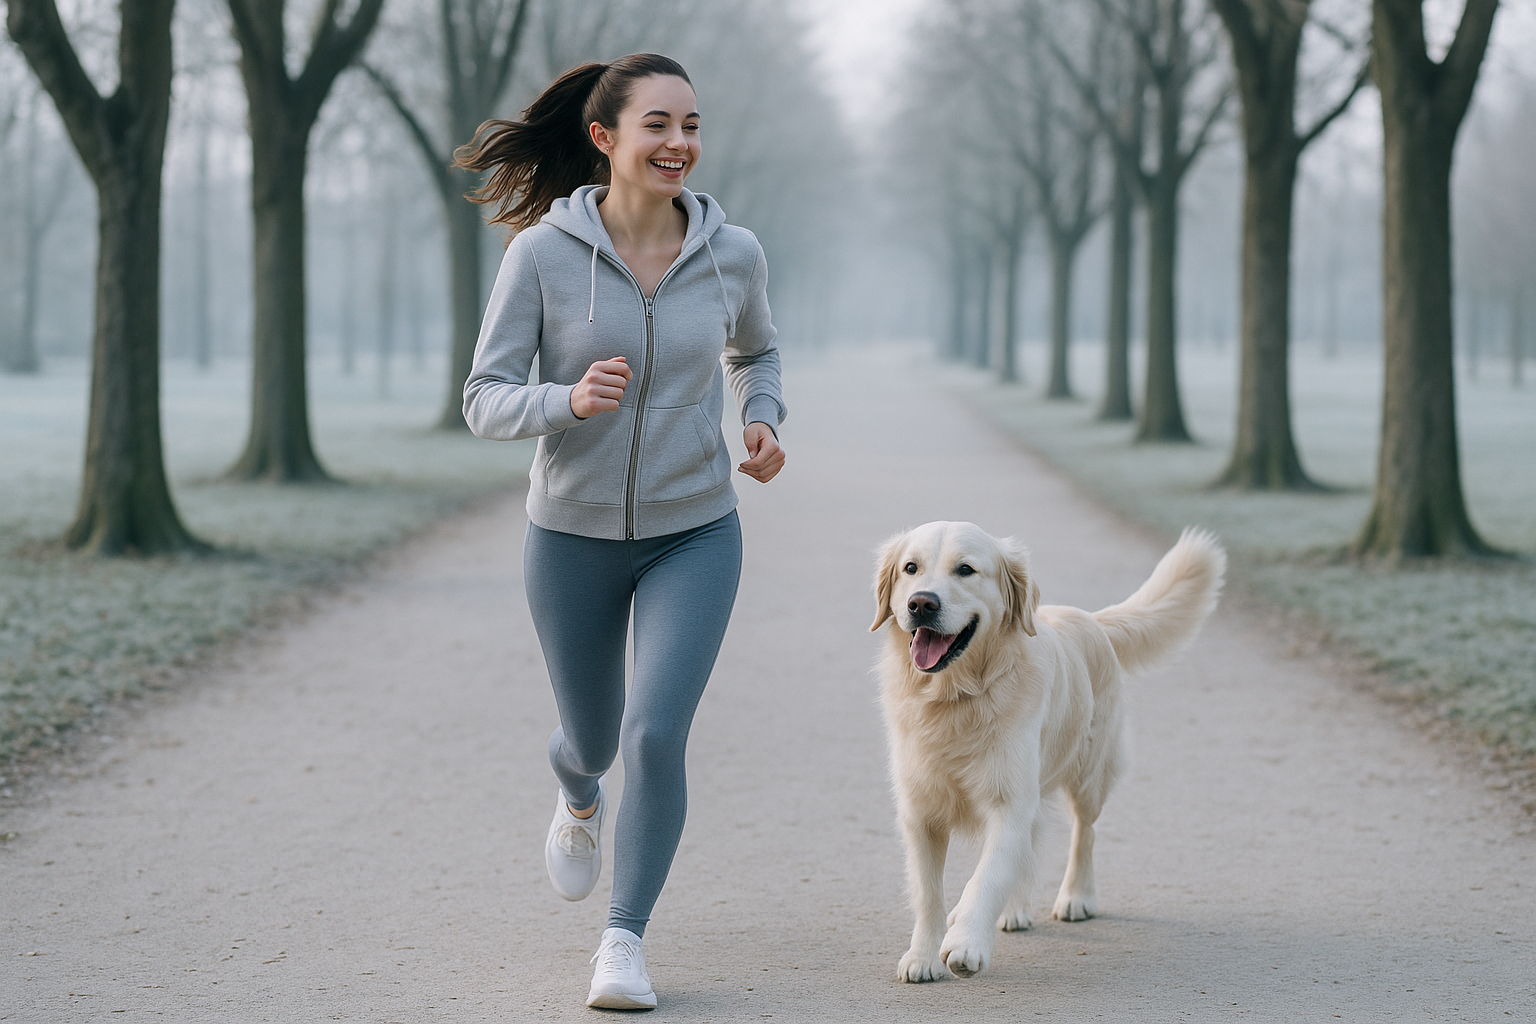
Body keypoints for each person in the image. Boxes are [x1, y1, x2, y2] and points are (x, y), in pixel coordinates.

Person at [455, 53, 786, 1010]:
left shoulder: (735, 253)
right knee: (594, 741)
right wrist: (566, 399)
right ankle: (574, 792)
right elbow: (483, 398)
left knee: (653, 734)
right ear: (605, 139)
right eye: (658, 125)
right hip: (570, 536)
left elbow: (757, 350)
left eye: (690, 124)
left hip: (696, 531)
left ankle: (623, 942)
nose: (680, 143)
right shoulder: (542, 257)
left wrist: (762, 414)